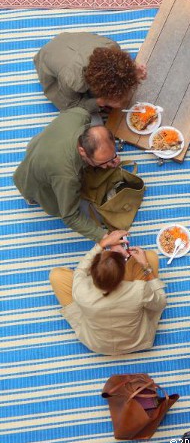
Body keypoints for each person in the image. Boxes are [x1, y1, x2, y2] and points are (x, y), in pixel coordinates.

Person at [49, 230, 166, 355]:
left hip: (98, 345)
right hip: (138, 341)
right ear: (123, 274)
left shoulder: (80, 290)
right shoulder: (139, 290)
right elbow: (161, 302)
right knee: (150, 256)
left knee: (56, 276)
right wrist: (145, 265)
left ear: (92, 272)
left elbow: (80, 270)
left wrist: (102, 244)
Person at [13, 108, 120, 242]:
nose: (108, 165)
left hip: (41, 147)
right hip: (32, 182)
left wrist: (110, 157)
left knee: (97, 118)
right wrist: (104, 237)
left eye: (112, 156)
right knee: (98, 215)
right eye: (102, 162)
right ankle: (32, 198)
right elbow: (70, 217)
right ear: (82, 151)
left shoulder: (80, 114)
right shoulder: (68, 177)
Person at [34, 32, 147, 113]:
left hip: (69, 41)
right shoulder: (73, 80)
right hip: (47, 57)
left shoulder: (111, 46)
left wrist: (132, 68)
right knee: (78, 114)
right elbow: (71, 105)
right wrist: (102, 101)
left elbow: (117, 68)